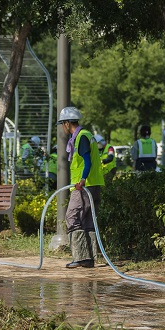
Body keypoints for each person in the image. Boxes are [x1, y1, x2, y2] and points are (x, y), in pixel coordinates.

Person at [58, 106, 103, 269]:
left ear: (68, 123)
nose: (63, 127)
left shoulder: (81, 137)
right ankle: (90, 258)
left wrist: (82, 179)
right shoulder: (88, 135)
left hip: (83, 187)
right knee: (88, 220)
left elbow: (87, 161)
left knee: (72, 217)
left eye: (63, 124)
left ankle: (81, 257)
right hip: (94, 184)